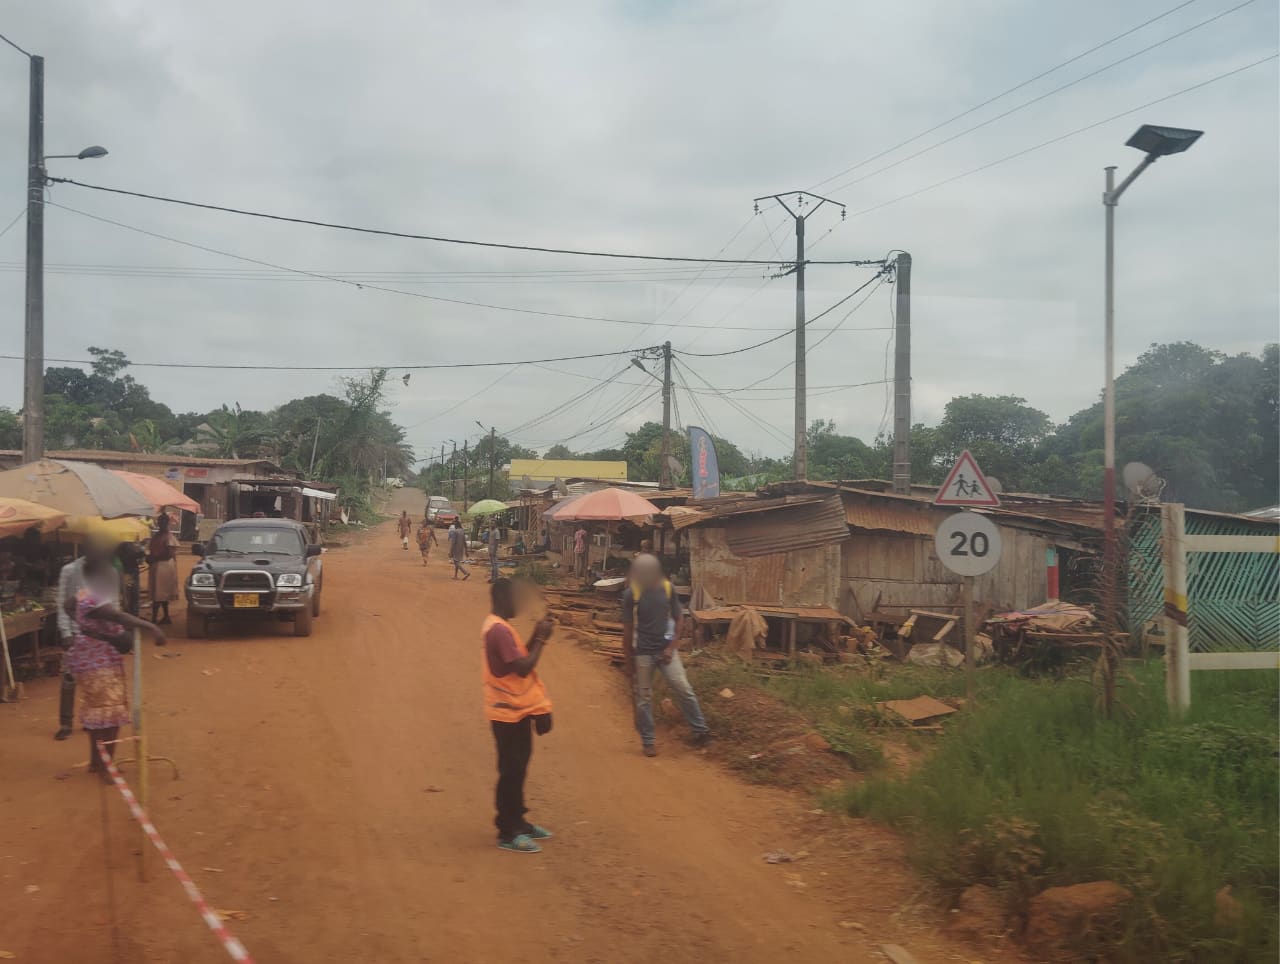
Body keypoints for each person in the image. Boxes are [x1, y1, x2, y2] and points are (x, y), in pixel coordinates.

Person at [63, 533, 167, 781]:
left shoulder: (83, 594)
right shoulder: (94, 597)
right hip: (98, 662)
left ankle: (96, 763)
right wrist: (151, 627)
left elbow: (69, 606)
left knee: (98, 712)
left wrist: (87, 629)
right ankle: (106, 768)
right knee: (109, 716)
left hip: (92, 657)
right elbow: (116, 616)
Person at [482, 578, 554, 853]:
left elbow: (517, 658)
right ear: (503, 599)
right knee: (511, 770)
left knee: (518, 767)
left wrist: (536, 634)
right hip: (505, 713)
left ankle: (518, 821)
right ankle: (507, 830)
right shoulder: (498, 630)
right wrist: (543, 641)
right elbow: (523, 667)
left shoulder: (501, 627)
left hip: (516, 711)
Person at [621, 554, 710, 757]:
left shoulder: (668, 590)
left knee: (683, 688)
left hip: (666, 651)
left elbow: (678, 620)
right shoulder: (630, 595)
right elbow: (627, 630)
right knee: (643, 698)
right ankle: (648, 741)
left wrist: (671, 646)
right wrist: (628, 662)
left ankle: (700, 731)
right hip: (642, 653)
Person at [53, 549, 121, 741]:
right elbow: (62, 604)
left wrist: (113, 634)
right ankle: (66, 723)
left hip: (99, 634)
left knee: (95, 679)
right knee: (69, 678)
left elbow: (114, 604)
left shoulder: (110, 573)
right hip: (76, 633)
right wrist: (65, 632)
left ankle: (90, 720)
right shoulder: (69, 570)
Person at [147, 512, 179, 626]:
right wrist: (150, 558)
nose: (162, 524)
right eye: (160, 522)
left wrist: (153, 557)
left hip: (164, 566)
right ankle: (165, 616)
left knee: (160, 592)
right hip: (156, 566)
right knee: (159, 592)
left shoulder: (169, 537)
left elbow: (169, 554)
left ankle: (155, 618)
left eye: (164, 522)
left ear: (167, 523)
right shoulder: (156, 536)